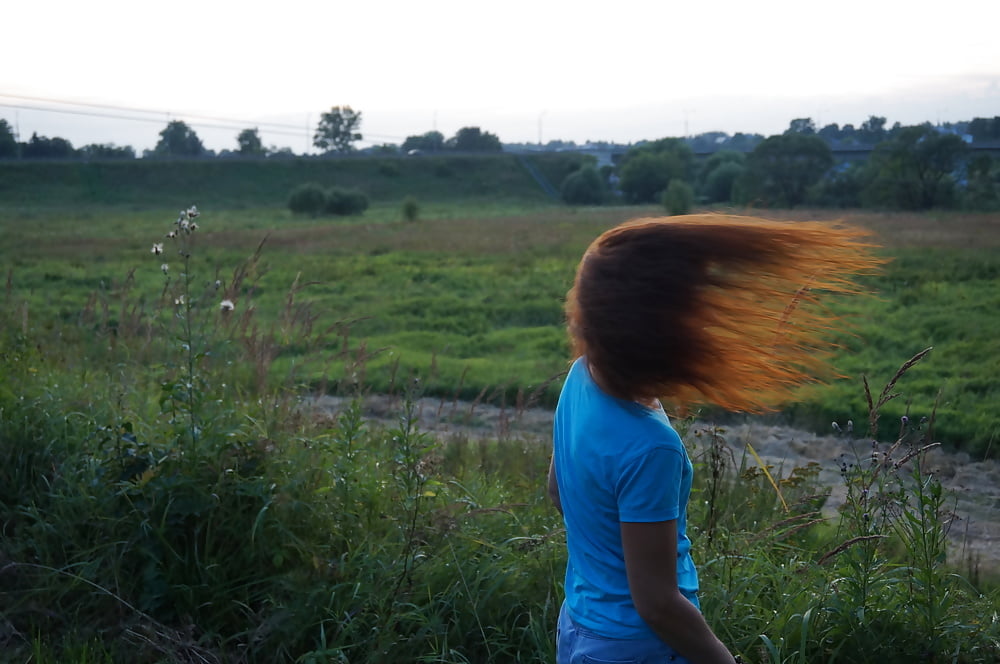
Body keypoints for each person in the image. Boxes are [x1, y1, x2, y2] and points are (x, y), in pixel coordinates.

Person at [548, 215, 882, 664]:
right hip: (637, 649)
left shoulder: (581, 375)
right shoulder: (651, 448)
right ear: (654, 332)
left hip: (579, 627)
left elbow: (559, 490)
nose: (704, 326)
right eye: (691, 313)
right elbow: (658, 605)